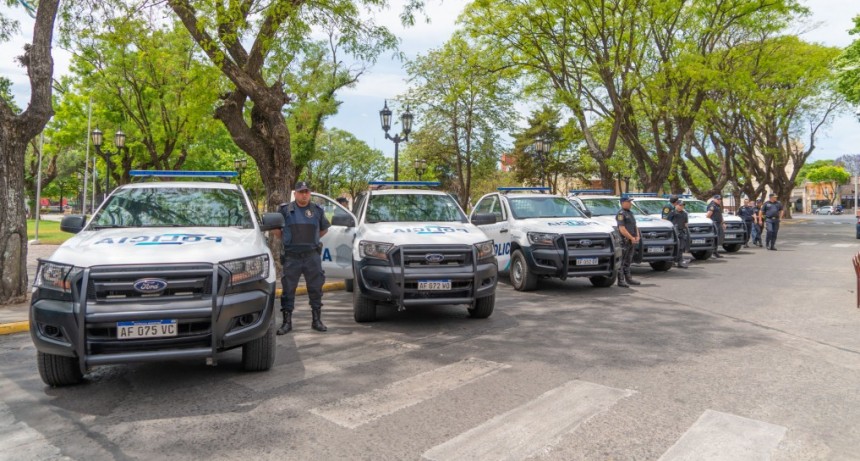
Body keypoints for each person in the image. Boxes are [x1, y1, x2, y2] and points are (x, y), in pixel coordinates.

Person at [272, 181, 331, 334]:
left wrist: (312, 239)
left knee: (316, 289)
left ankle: (316, 320)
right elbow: (276, 230)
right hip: (292, 258)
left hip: (312, 256)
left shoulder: (317, 210)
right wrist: (288, 240)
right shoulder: (285, 210)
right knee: (288, 290)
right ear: (295, 193)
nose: (304, 195)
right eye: (301, 192)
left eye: (306, 192)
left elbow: (324, 229)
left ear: (309, 193)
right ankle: (287, 322)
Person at [615, 196, 641, 287]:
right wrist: (631, 238)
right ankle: (621, 280)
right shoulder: (621, 214)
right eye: (628, 202)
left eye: (630, 202)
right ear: (623, 203)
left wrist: (637, 236)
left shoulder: (630, 213)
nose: (630, 204)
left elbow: (635, 225)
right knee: (622, 261)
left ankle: (629, 278)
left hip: (631, 240)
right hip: (625, 241)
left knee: (628, 260)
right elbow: (622, 229)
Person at [666, 199, 690, 268]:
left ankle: (680, 261)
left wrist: (686, 231)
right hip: (674, 232)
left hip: (681, 231)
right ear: (676, 205)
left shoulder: (684, 213)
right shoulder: (672, 213)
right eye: (680, 205)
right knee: (675, 247)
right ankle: (673, 260)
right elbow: (668, 222)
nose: (681, 207)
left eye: (682, 206)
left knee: (681, 247)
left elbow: (686, 224)